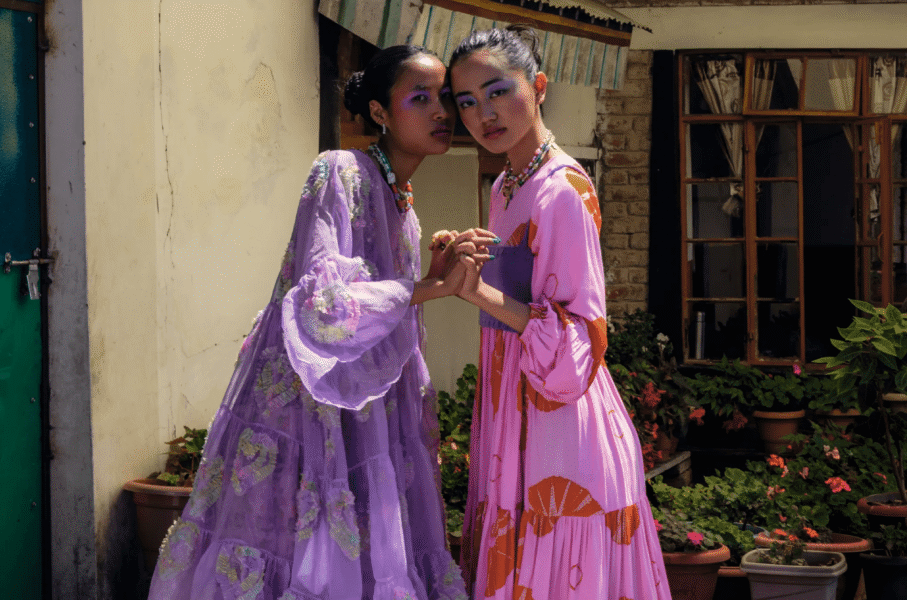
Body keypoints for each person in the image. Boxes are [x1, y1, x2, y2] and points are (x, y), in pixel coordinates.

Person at [147, 45, 494, 600]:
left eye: (445, 98)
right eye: (420, 98)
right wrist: (429, 287)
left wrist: (429, 277)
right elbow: (324, 304)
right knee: (291, 544)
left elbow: (385, 307)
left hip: (367, 400)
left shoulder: (402, 203)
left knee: (359, 540)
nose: (441, 112)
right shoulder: (340, 171)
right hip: (308, 398)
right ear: (379, 111)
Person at [447, 27, 672, 600]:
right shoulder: (505, 186)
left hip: (561, 438)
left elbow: (578, 344)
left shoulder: (563, 191)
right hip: (515, 422)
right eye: (466, 102)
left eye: (498, 92)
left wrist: (479, 292)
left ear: (539, 86)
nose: (483, 114)